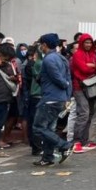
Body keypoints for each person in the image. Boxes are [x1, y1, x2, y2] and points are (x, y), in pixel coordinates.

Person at [31, 34, 74, 166]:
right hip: (60, 99)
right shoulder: (62, 58)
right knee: (48, 128)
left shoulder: (49, 59)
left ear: (44, 45)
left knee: (38, 127)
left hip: (50, 98)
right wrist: (67, 96)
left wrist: (64, 85)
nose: (40, 47)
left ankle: (64, 145)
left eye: (41, 44)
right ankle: (47, 157)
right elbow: (68, 79)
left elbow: (59, 79)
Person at [70, 33, 96, 152]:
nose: (88, 45)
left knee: (90, 114)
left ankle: (84, 141)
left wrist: (92, 65)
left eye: (90, 42)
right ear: (81, 43)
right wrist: (95, 66)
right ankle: (76, 141)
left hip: (91, 87)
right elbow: (84, 69)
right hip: (79, 87)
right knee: (84, 113)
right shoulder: (77, 55)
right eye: (86, 42)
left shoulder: (93, 54)